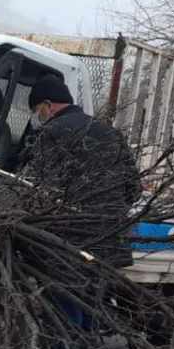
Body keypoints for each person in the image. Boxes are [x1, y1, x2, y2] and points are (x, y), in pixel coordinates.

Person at [17, 74, 143, 268]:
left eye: (35, 110)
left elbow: (40, 190)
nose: (36, 117)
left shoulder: (51, 133)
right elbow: (133, 190)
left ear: (48, 105)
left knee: (62, 297)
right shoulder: (110, 132)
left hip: (70, 246)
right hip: (111, 245)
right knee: (95, 298)